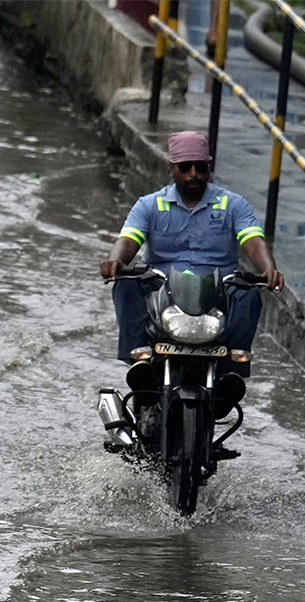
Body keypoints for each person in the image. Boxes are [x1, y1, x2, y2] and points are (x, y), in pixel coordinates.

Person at [98, 131, 283, 403]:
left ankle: (232, 367)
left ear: (209, 167)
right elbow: (128, 239)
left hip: (218, 288)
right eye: (185, 167)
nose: (193, 174)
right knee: (125, 285)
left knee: (249, 293)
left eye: (200, 167)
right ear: (172, 169)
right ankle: (139, 358)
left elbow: (253, 241)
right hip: (163, 286)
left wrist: (268, 268)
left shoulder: (233, 204)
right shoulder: (149, 205)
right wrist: (116, 260)